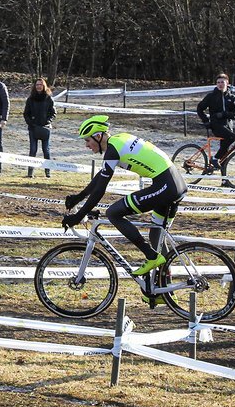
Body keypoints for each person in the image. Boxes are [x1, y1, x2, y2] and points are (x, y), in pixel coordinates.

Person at [62, 116, 188, 292]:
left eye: (88, 140)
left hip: (166, 186)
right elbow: (101, 176)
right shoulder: (118, 140)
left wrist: (79, 215)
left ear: (98, 136)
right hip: (174, 183)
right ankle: (164, 289)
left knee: (114, 213)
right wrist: (79, 196)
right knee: (155, 236)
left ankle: (151, 256)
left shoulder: (113, 149)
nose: (86, 145)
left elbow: (100, 190)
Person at [196, 73, 235, 174]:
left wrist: (224, 114)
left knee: (225, 153)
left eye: (222, 82)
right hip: (216, 125)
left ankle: (224, 180)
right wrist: (206, 121)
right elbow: (200, 108)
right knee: (234, 138)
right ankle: (215, 159)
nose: (220, 84)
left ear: (227, 83)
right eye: (218, 82)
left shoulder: (232, 98)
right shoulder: (211, 96)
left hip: (228, 126)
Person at [23, 77, 55, 178]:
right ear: (34, 86)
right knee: (33, 150)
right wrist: (31, 123)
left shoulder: (49, 98)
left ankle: (47, 172)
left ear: (44, 86)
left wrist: (48, 121)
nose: (39, 86)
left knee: (46, 150)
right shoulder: (30, 99)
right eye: (37, 85)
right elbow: (26, 114)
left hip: (45, 129)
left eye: (40, 84)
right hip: (33, 129)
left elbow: (53, 113)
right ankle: (30, 173)